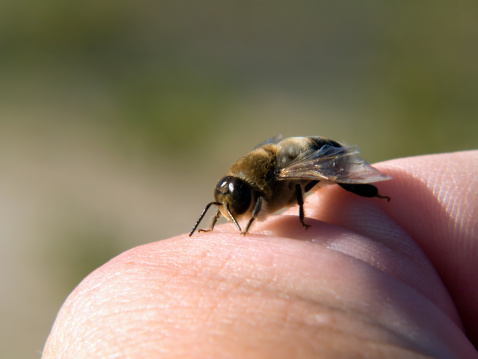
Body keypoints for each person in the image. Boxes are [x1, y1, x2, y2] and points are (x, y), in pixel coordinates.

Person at [42, 151, 478, 358]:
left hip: (312, 156)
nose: (234, 212)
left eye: (238, 205)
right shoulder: (242, 183)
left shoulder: (282, 179)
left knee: (321, 182)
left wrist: (306, 221)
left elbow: (307, 177)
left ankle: (373, 193)